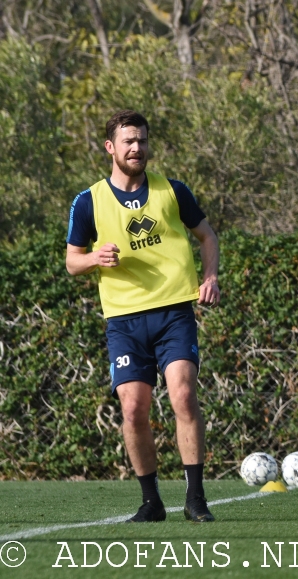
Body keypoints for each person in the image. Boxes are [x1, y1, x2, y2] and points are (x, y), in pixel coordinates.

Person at [65, 110, 220, 523]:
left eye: (143, 141)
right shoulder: (88, 201)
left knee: (184, 394)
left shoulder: (172, 191)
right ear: (110, 147)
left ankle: (196, 499)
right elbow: (71, 262)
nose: (137, 148)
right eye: (129, 141)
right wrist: (95, 257)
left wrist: (210, 276)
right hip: (124, 321)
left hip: (174, 313)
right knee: (134, 409)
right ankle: (152, 502)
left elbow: (207, 235)